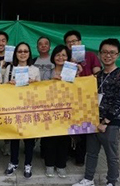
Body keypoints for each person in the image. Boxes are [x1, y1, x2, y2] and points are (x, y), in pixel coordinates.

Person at [72, 39, 120, 186]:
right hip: (92, 121)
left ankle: (111, 184)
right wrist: (77, 73)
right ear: (99, 54)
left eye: (112, 52)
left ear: (118, 55)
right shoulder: (96, 76)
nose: (108, 55)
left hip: (110, 124)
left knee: (112, 155)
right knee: (91, 153)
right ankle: (88, 179)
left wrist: (105, 122)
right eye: (104, 52)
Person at [64, 30, 102, 166]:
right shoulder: (65, 59)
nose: (71, 44)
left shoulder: (91, 56)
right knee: (69, 128)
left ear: (80, 42)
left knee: (85, 129)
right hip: (70, 100)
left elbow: (98, 74)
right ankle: (69, 152)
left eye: (74, 41)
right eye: (69, 42)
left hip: (87, 99)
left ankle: (80, 157)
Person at [43, 45, 81, 178]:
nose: (60, 57)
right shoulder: (48, 72)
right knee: (49, 139)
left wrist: (78, 75)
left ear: (68, 57)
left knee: (64, 139)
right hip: (49, 111)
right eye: (58, 55)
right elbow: (40, 89)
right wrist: (51, 82)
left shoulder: (72, 72)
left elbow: (78, 89)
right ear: (53, 57)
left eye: (64, 55)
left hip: (67, 111)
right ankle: (49, 165)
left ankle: (61, 166)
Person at [3, 42, 40, 178]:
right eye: (20, 51)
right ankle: (13, 163)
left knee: (29, 139)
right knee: (14, 138)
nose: (23, 54)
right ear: (15, 54)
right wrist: (9, 84)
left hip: (29, 108)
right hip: (14, 107)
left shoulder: (35, 70)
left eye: (25, 51)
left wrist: (34, 83)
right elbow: (3, 88)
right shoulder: (10, 69)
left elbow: (40, 90)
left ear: (29, 53)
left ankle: (28, 164)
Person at [32, 36, 55, 159]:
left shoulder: (55, 60)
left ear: (50, 46)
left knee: (48, 125)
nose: (43, 46)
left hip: (51, 98)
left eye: (46, 43)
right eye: (40, 44)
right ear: (37, 47)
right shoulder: (33, 61)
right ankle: (30, 146)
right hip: (35, 98)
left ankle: (45, 150)